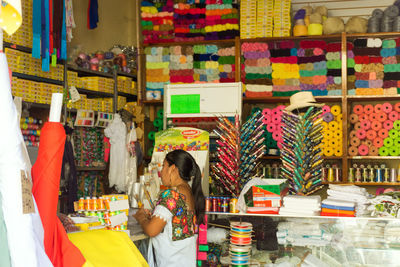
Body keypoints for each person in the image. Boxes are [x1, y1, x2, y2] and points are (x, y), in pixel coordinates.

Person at [134, 149, 205, 267]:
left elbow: (152, 230)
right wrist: (154, 216)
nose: (161, 171)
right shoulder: (187, 192)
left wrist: (141, 217)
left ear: (173, 169)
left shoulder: (172, 194)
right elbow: (173, 222)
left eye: (163, 166)